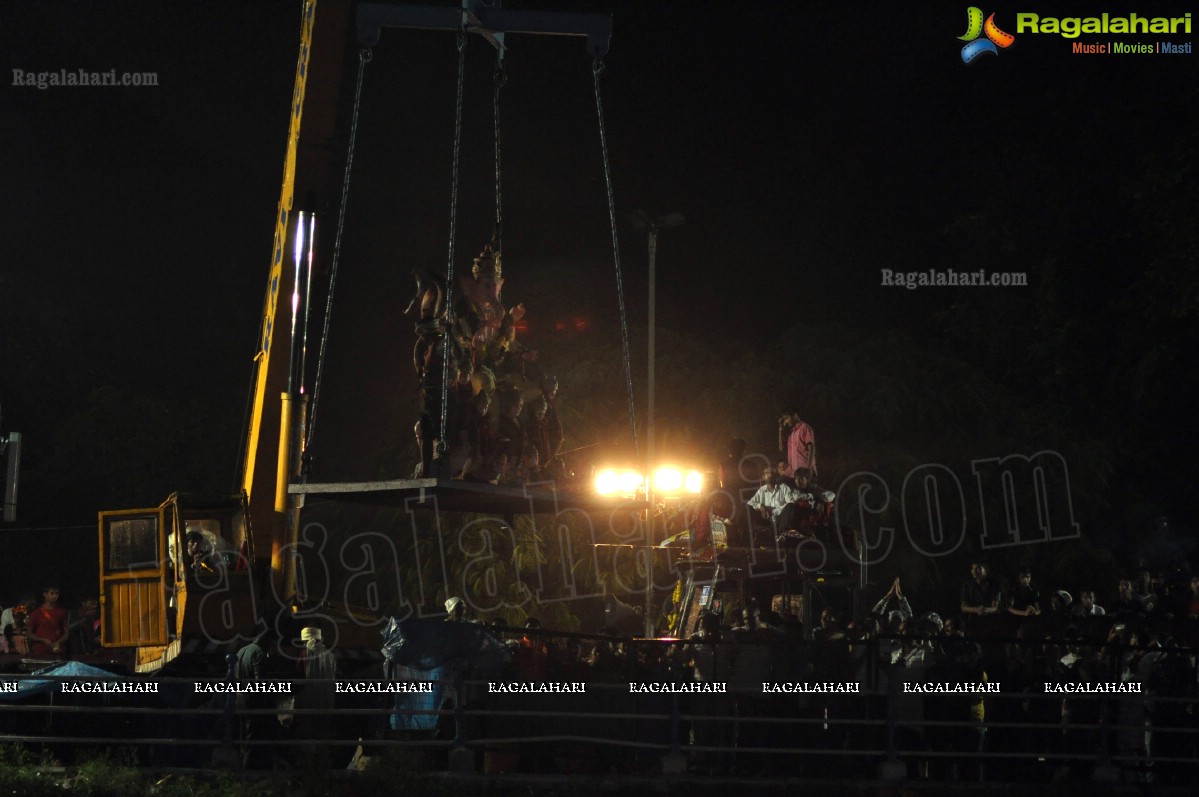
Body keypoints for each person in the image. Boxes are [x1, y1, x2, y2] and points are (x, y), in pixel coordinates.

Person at [27, 586, 69, 656]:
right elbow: (29, 634)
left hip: (57, 650)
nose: (55, 596)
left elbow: (66, 633)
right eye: (52, 593)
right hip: (40, 650)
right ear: (45, 594)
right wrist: (42, 640)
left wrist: (58, 642)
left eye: (57, 594)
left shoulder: (62, 612)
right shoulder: (36, 612)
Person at [777, 407, 816, 479]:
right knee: (780, 482)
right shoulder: (791, 433)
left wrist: (808, 469)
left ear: (795, 415)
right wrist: (781, 430)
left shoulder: (805, 427)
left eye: (787, 418)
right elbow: (781, 448)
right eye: (784, 419)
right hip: (793, 474)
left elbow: (812, 448)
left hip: (804, 472)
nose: (786, 421)